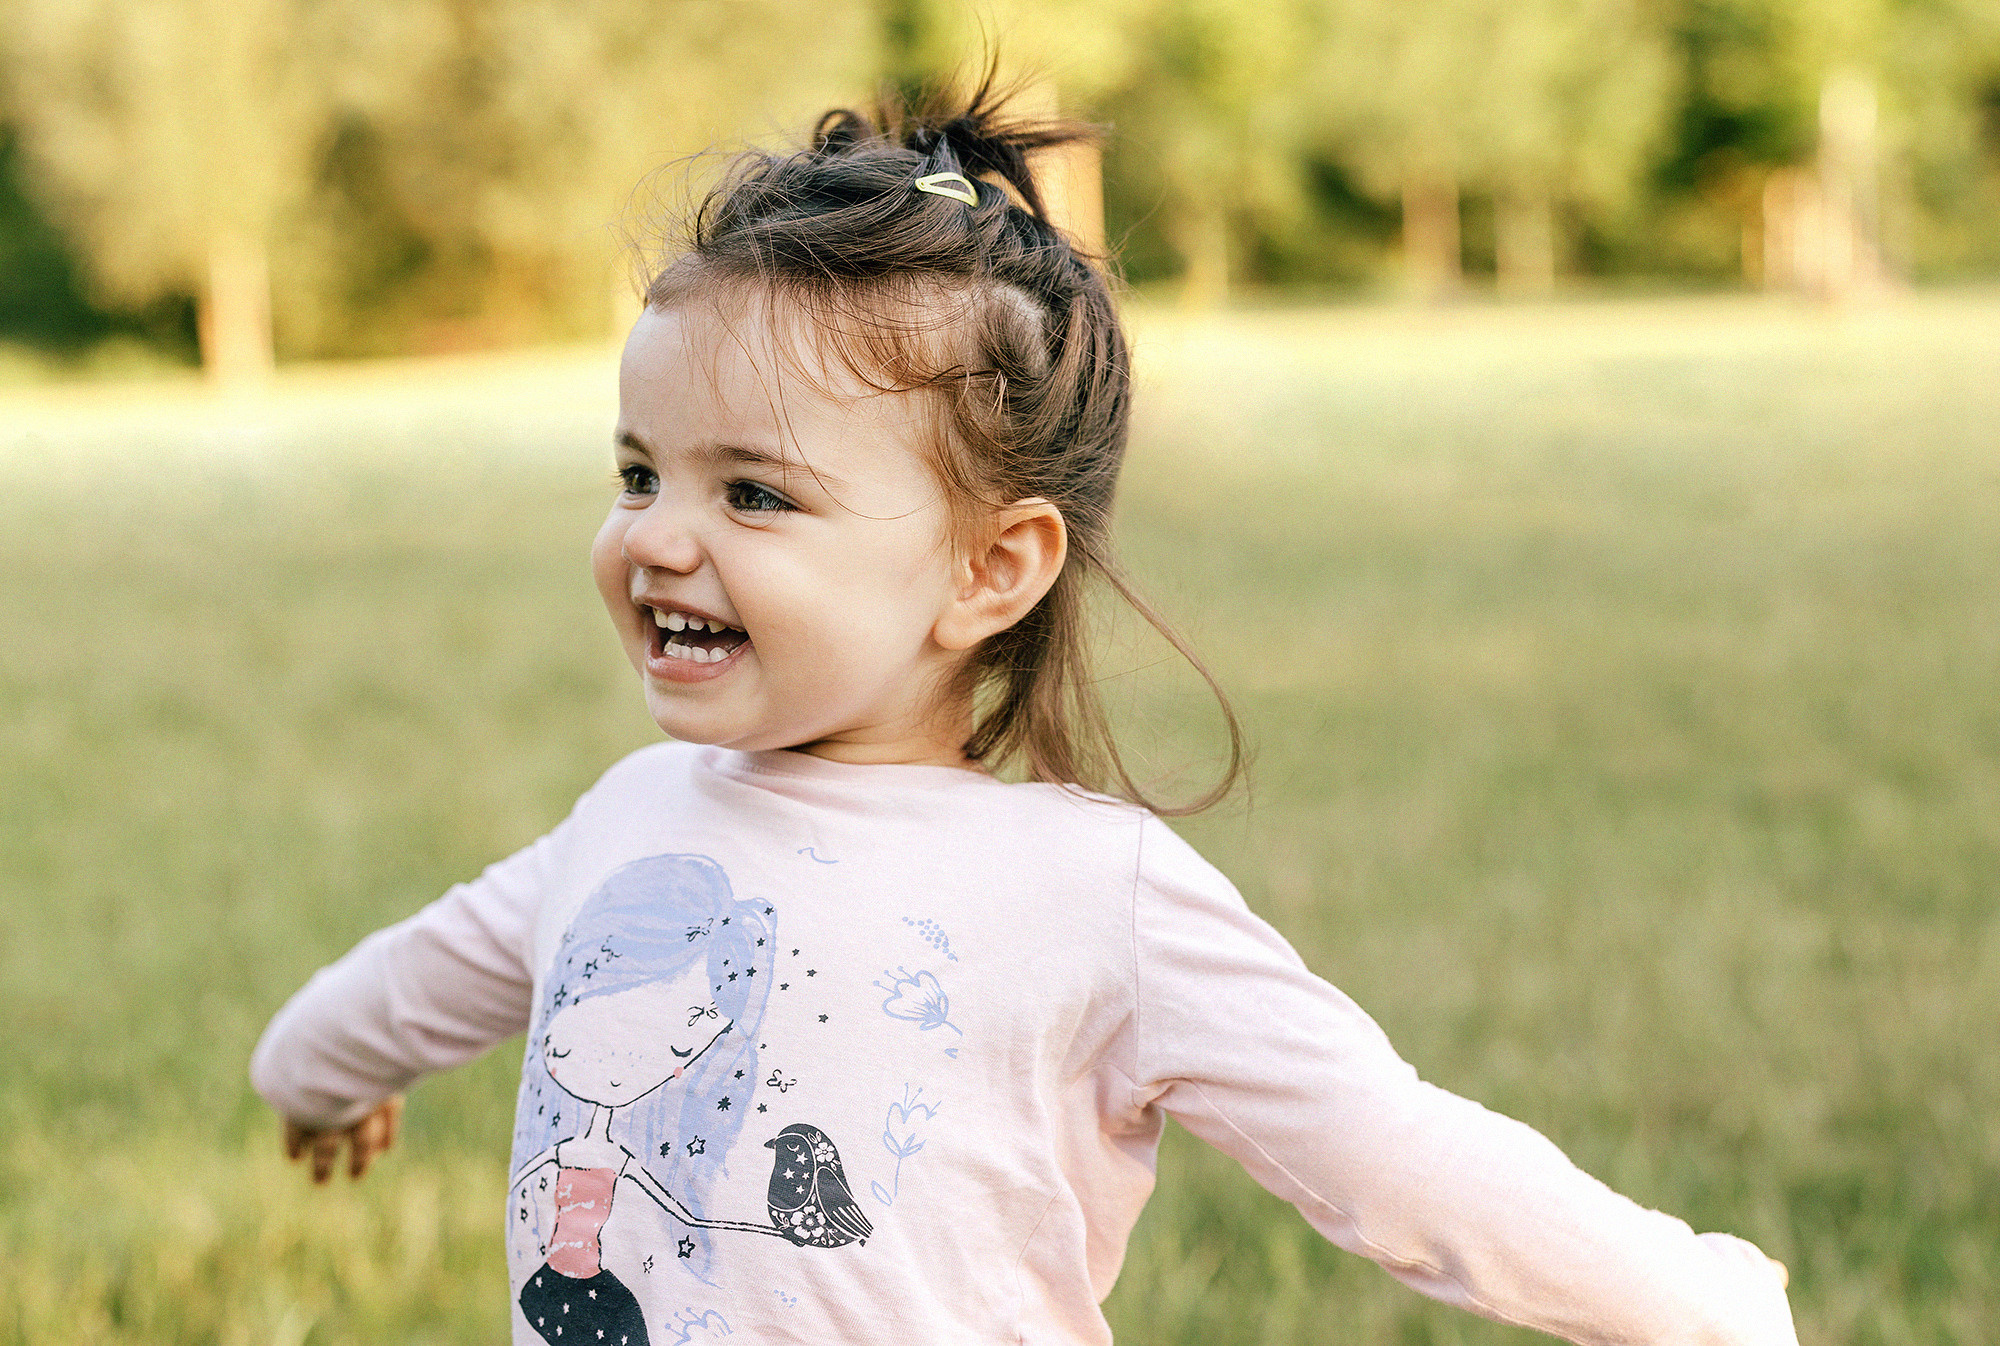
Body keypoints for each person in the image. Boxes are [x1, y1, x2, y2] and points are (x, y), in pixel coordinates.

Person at [251, 78, 1799, 1346]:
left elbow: (1391, 1152)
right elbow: (413, 980)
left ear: (991, 568)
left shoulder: (1091, 893)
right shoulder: (630, 824)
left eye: (754, 491)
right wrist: (311, 1073)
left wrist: (1707, 1305)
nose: (658, 534)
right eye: (640, 471)